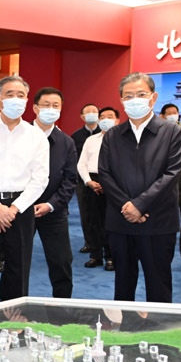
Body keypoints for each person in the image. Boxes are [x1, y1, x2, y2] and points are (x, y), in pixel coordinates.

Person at [98, 72, 181, 311]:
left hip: (158, 222)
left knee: (159, 286)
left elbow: (172, 173)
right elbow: (104, 173)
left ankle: (160, 332)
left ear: (153, 98)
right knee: (123, 286)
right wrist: (126, 206)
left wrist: (140, 205)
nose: (134, 100)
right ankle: (125, 331)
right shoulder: (113, 135)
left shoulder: (172, 132)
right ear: (121, 100)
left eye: (141, 94)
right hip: (120, 221)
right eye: (128, 96)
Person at [0, 75, 49, 307]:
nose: (16, 99)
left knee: (19, 264)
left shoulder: (36, 135)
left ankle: (15, 311)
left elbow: (40, 178)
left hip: (21, 206)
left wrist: (13, 209)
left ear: (27, 100)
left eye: (21, 95)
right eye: (9, 94)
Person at [30, 87, 77, 298]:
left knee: (62, 261)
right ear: (35, 108)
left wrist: (51, 205)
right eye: (46, 105)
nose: (51, 109)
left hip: (54, 210)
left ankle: (63, 305)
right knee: (16, 261)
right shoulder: (21, 136)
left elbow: (70, 179)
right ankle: (13, 306)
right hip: (21, 209)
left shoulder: (66, 142)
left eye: (55, 106)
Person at [77, 107, 119, 271]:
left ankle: (111, 257)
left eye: (110, 116)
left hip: (115, 183)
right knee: (93, 221)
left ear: (117, 120)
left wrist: (111, 183)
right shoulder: (91, 140)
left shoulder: (123, 140)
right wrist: (88, 181)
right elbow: (82, 164)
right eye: (103, 117)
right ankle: (95, 255)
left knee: (111, 221)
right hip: (93, 182)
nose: (106, 119)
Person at [71, 103, 101, 255]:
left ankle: (104, 245)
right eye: (88, 112)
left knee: (102, 213)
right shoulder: (76, 136)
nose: (91, 114)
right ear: (82, 117)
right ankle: (89, 242)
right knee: (86, 212)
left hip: (102, 179)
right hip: (82, 180)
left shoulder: (106, 134)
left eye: (94, 111)